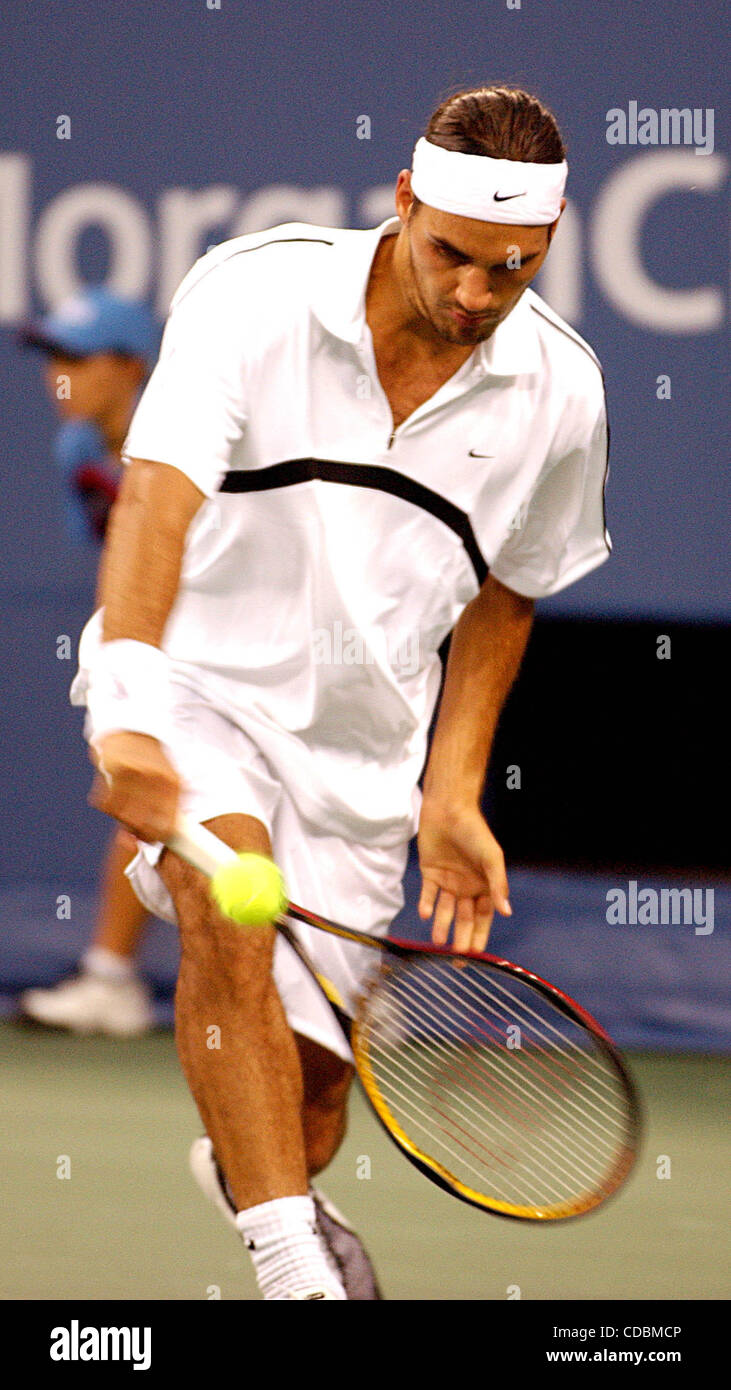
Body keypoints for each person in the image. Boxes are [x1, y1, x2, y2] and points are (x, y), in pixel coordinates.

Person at [71, 86, 611, 1300]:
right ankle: (293, 1274)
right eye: (452, 257)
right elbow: (156, 499)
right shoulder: (250, 294)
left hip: (363, 754)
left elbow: (506, 593)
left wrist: (453, 788)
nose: (475, 294)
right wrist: (132, 704)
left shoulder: (561, 393)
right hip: (199, 680)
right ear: (403, 200)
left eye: (512, 269)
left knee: (306, 1112)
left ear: (555, 235)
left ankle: (267, 1179)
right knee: (232, 911)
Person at [19, 290, 161, 1036]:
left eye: (77, 359)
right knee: (137, 793)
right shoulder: (78, 452)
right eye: (52, 359)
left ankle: (360, 991)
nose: (59, 378)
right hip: (163, 640)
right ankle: (111, 977)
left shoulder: (183, 439)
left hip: (254, 637)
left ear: (131, 367)